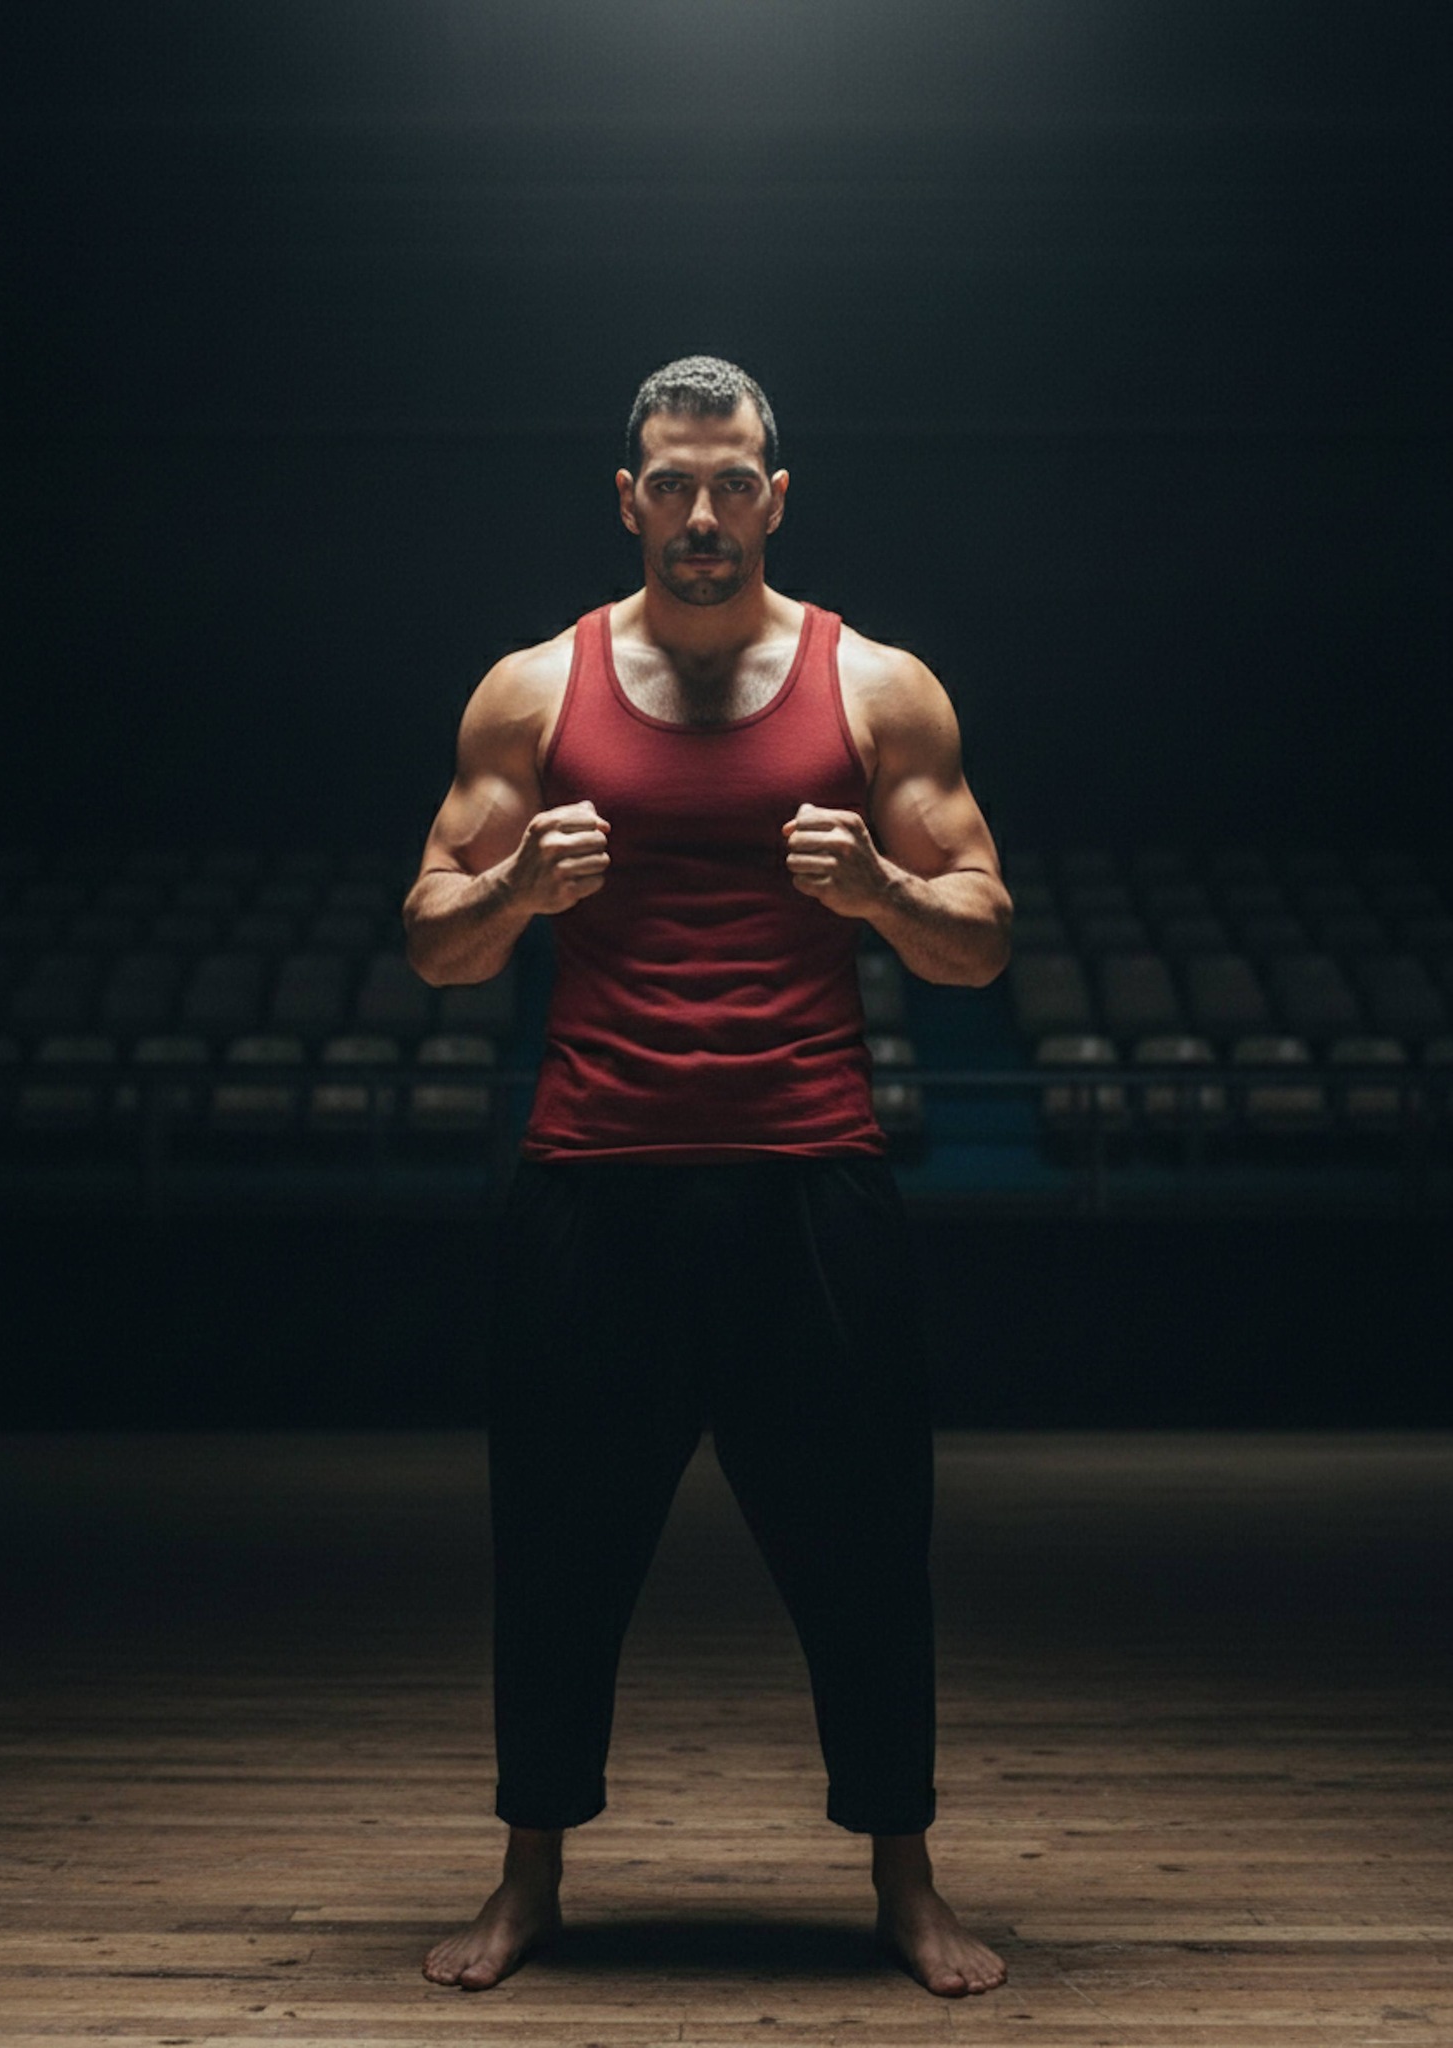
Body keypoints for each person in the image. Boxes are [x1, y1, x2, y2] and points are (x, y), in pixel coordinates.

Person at [404, 356, 1012, 1999]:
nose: (699, 512)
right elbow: (434, 944)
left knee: (871, 1546)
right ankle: (528, 1881)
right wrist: (521, 882)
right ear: (627, 499)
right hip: (591, 1179)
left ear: (776, 496)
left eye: (730, 481)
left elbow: (982, 938)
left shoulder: (878, 687)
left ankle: (907, 1882)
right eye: (670, 483)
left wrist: (882, 887)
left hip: (810, 1176)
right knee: (554, 1546)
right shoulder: (530, 694)